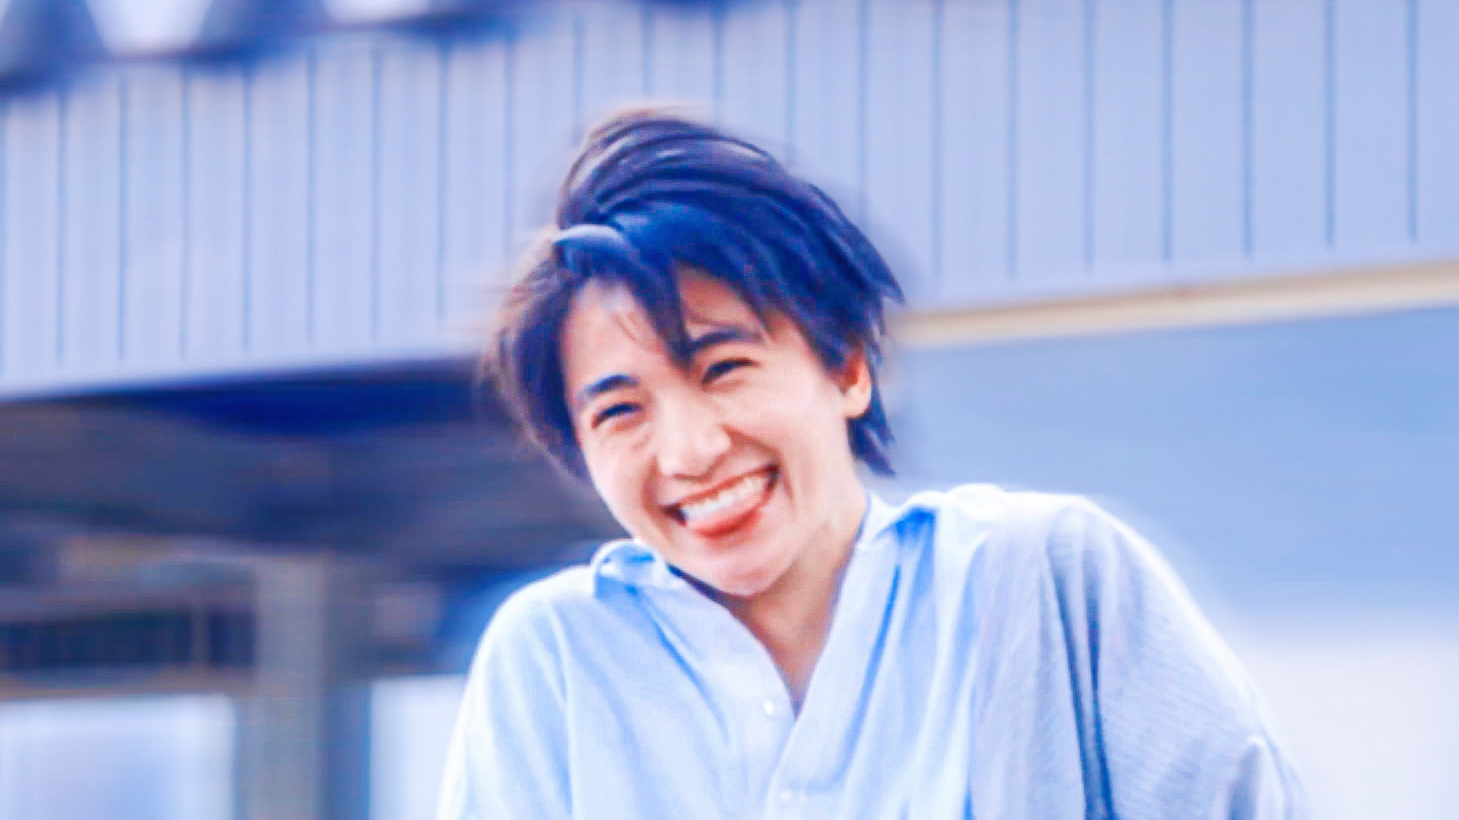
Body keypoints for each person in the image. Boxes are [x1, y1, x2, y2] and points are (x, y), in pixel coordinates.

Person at [436, 108, 1303, 819]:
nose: (690, 451)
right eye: (619, 411)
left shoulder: (1046, 578)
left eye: (722, 368)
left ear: (847, 364)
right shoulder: (554, 658)